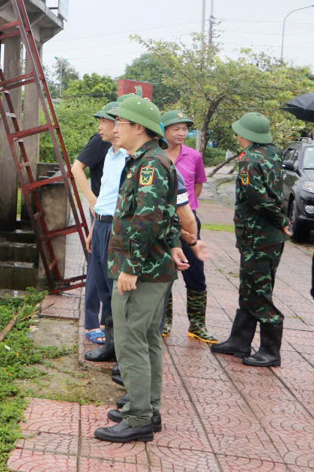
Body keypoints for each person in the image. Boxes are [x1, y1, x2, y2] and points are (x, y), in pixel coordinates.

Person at [95, 95, 187, 444]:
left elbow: (147, 219)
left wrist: (130, 267)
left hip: (141, 269)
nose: (114, 128)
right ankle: (147, 407)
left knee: (131, 339)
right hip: (154, 266)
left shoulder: (149, 164)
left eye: (120, 122)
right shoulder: (149, 160)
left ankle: (138, 419)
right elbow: (167, 212)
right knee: (147, 339)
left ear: (138, 127)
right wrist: (175, 243)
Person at [211, 112, 290, 367]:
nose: (237, 135)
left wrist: (281, 220)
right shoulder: (274, 152)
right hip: (268, 237)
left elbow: (257, 198)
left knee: (257, 291)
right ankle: (239, 340)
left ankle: (270, 351)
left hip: (258, 235)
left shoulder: (249, 160)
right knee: (250, 286)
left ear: (246, 135)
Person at [160, 110, 215, 343]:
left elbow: (197, 187)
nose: (182, 133)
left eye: (185, 129)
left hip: (188, 220)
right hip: (162, 222)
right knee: (164, 273)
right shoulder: (156, 155)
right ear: (163, 130)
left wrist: (188, 212)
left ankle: (197, 324)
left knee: (195, 273)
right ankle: (164, 321)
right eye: (176, 128)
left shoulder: (194, 156)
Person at [81, 102, 120, 346]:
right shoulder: (105, 148)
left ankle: (112, 333)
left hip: (119, 222)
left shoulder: (136, 157)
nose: (99, 127)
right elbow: (78, 168)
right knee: (99, 274)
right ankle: (94, 324)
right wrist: (93, 208)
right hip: (103, 219)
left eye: (103, 121)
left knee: (111, 278)